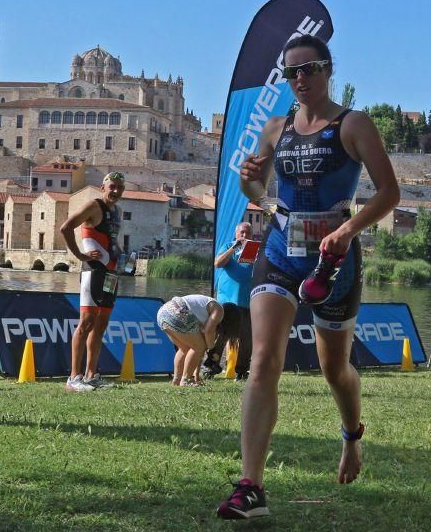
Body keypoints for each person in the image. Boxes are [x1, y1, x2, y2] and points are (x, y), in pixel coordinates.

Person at [217, 35, 400, 519]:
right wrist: (247, 178)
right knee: (263, 361)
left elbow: (389, 193)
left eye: (310, 69)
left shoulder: (353, 124)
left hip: (333, 260)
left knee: (333, 370)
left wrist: (347, 230)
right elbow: (257, 189)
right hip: (280, 249)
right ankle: (250, 486)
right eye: (291, 72)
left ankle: (352, 436)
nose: (300, 79)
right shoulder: (276, 127)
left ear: (327, 70)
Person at [60, 172, 126, 392]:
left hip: (111, 274)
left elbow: (111, 240)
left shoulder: (117, 211)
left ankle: (90, 375)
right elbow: (66, 227)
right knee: (86, 323)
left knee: (101, 325)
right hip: (93, 272)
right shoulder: (94, 206)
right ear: (103, 187)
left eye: (119, 187)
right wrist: (80, 255)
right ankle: (73, 378)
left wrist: (123, 256)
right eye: (112, 186)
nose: (116, 191)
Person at [204, 222, 255, 380]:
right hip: (227, 301)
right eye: (242, 233)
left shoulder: (256, 250)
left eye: (247, 233)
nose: (244, 236)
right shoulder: (228, 246)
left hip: (248, 301)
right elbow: (218, 263)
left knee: (247, 338)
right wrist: (234, 247)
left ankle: (242, 371)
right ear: (236, 234)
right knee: (221, 335)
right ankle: (211, 367)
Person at [156, 294, 224, 386]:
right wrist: (212, 350)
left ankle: (177, 380)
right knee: (198, 347)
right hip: (177, 313)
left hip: (163, 313)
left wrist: (196, 375)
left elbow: (199, 352)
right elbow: (208, 332)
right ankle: (186, 380)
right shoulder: (219, 310)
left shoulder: (203, 311)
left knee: (185, 348)